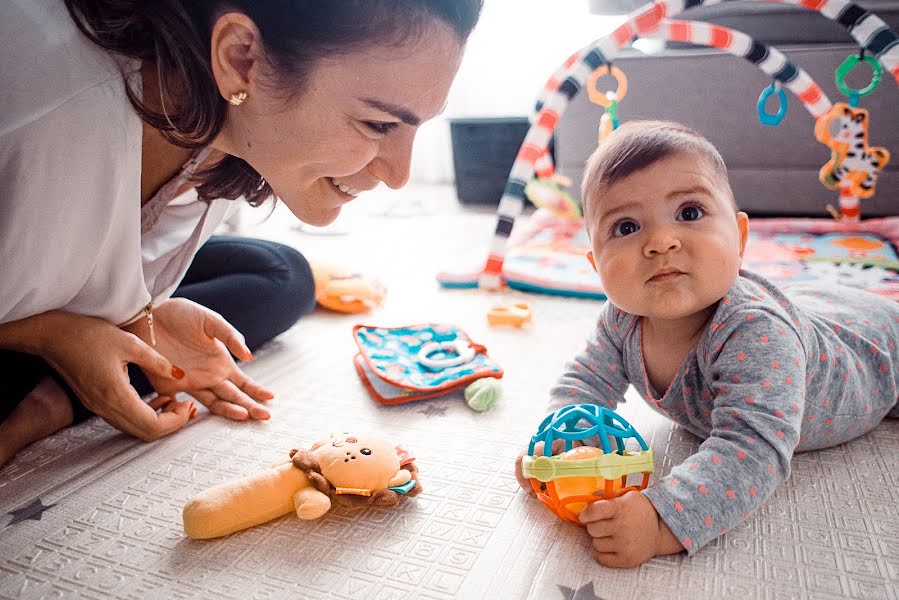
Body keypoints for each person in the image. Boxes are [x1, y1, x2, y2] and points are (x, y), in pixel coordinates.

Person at [0, 0, 483, 466]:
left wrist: (143, 315)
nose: (400, 175)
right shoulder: (37, 113)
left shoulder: (227, 120)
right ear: (240, 57)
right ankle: (59, 387)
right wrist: (55, 334)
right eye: (378, 123)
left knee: (284, 275)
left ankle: (88, 370)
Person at [514, 120, 899, 568]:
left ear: (739, 239)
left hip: (880, 350)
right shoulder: (621, 318)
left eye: (689, 213)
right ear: (594, 264)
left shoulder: (756, 333)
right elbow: (585, 382)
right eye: (625, 227)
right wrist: (557, 447)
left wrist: (663, 520)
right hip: (820, 308)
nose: (661, 242)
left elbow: (750, 450)